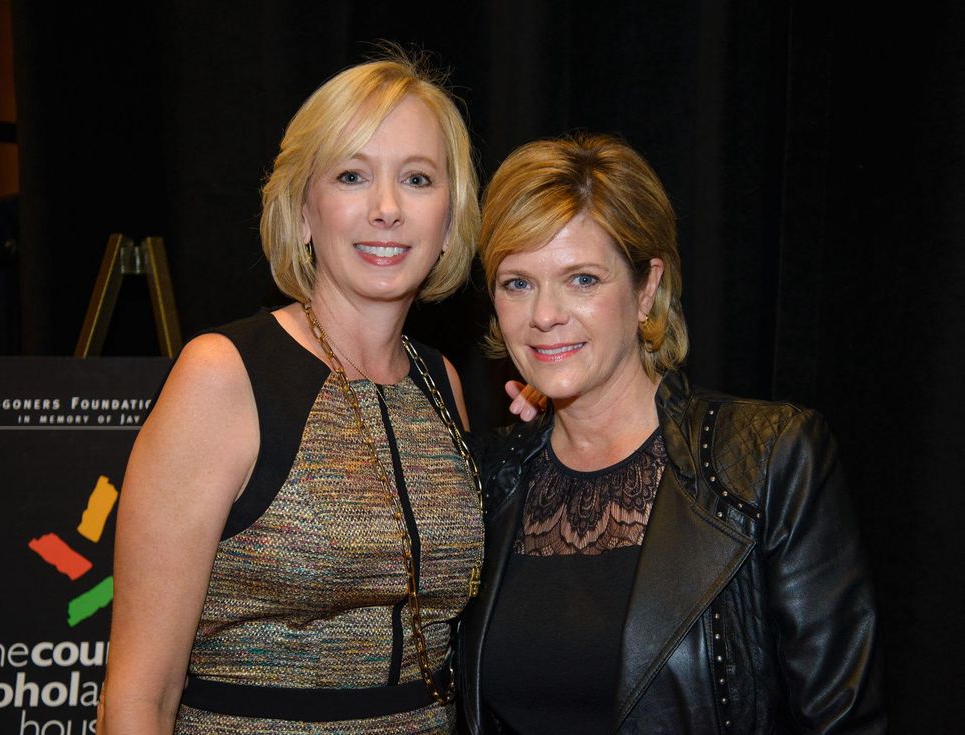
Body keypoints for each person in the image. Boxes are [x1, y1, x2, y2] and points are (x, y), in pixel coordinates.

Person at [99, 52, 485, 734]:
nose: (387, 209)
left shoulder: (441, 382)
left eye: (417, 179)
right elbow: (137, 697)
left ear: (450, 215)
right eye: (352, 176)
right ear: (305, 210)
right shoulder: (224, 376)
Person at [460, 133, 885, 734]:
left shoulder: (769, 457)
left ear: (646, 288)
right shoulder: (487, 477)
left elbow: (841, 721)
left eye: (582, 279)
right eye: (517, 283)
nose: (544, 314)